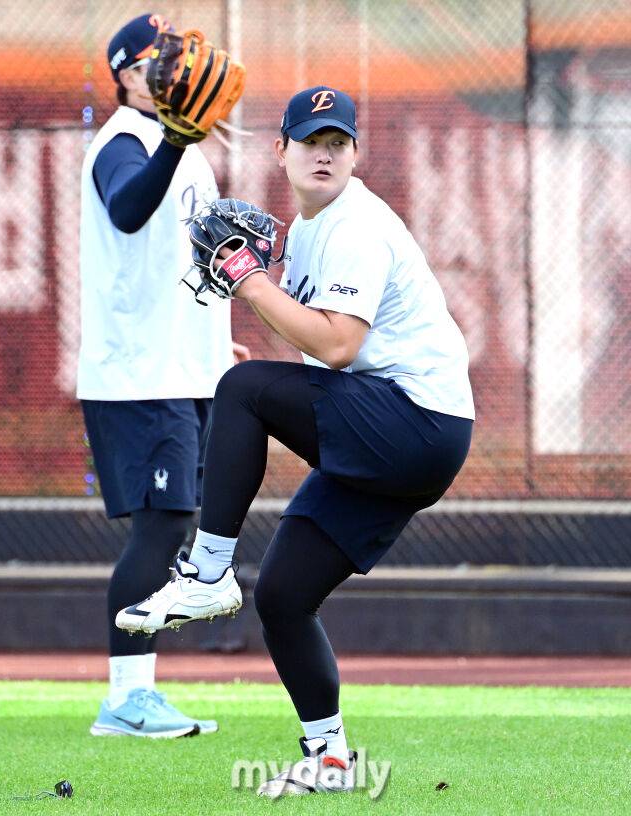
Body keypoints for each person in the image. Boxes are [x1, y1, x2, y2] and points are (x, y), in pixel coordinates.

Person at [116, 85, 474, 788]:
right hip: (397, 428)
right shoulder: (309, 231)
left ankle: (207, 573)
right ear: (279, 150)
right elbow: (326, 358)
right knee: (282, 595)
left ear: (355, 154)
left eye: (337, 142)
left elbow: (339, 348)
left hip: (417, 422)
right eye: (311, 141)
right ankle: (332, 760)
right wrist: (268, 386)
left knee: (242, 393)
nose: (324, 153)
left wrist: (248, 285)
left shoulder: (356, 224)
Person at [78, 12, 250, 739]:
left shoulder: (179, 145)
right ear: (124, 73)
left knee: (174, 524)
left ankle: (136, 694)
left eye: (179, 55)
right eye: (160, 58)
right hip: (139, 376)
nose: (177, 67)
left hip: (184, 367)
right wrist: (177, 139)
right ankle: (124, 699)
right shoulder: (125, 140)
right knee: (164, 525)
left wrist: (218, 344)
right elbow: (125, 210)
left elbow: (182, 265)